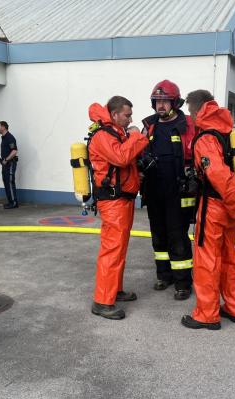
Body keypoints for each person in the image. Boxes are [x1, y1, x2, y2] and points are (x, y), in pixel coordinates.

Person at [180, 90, 235, 330]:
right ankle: (234, 308)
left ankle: (206, 315)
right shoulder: (227, 132)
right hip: (231, 206)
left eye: (190, 111)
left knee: (207, 259)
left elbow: (219, 175)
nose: (189, 117)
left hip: (215, 205)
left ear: (197, 110)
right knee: (230, 256)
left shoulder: (206, 138)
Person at [88, 96, 149, 320]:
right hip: (113, 202)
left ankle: (114, 290)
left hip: (122, 200)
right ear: (114, 115)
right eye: (127, 115)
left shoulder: (115, 134)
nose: (130, 118)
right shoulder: (103, 135)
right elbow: (121, 157)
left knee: (119, 249)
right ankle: (102, 301)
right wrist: (136, 135)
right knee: (112, 250)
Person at [141, 80, 196, 301]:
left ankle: (183, 282)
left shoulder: (188, 124)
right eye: (157, 102)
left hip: (179, 191)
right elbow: (139, 151)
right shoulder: (149, 125)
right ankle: (164, 275)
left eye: (165, 101)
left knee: (178, 235)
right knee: (159, 235)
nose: (160, 106)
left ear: (175, 102)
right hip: (154, 190)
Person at [0, 121, 19, 209]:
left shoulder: (10, 137)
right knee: (6, 182)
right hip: (5, 165)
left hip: (10, 164)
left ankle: (14, 203)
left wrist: (6, 159)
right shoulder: (4, 138)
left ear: (3, 127)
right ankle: (10, 202)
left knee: (9, 182)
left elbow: (14, 151)